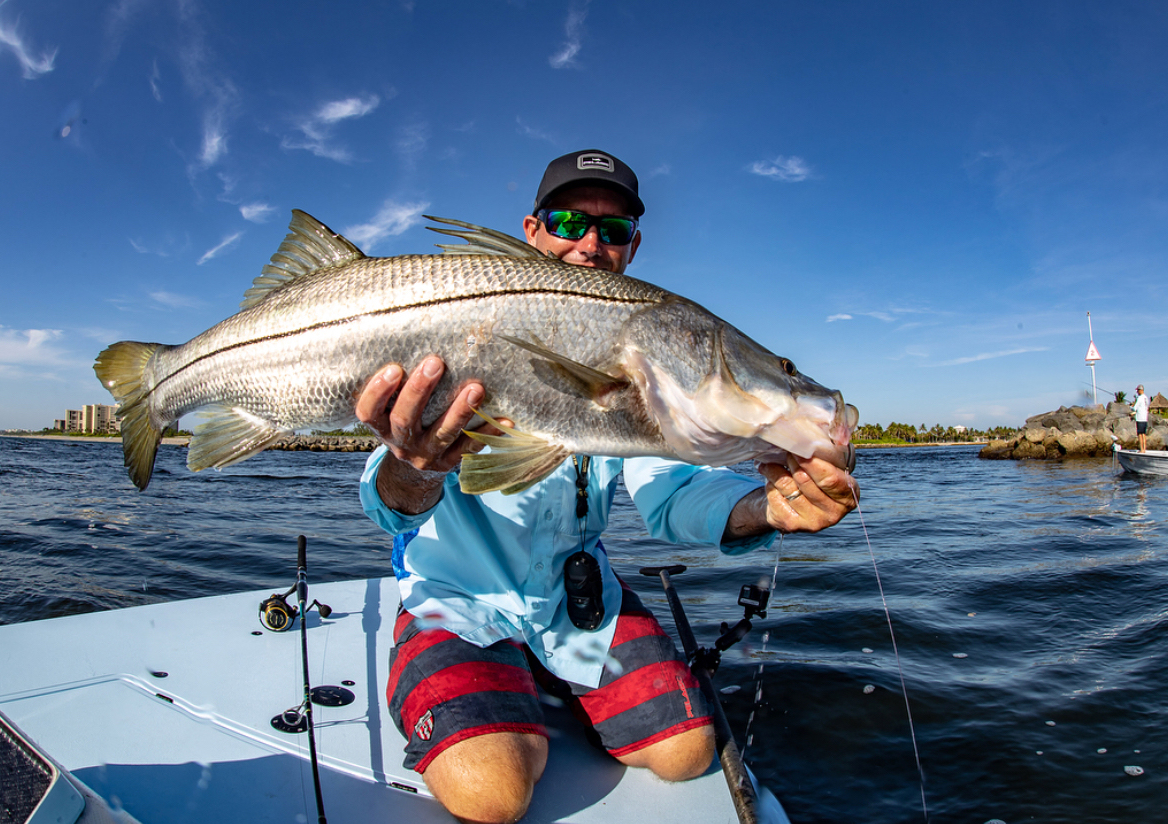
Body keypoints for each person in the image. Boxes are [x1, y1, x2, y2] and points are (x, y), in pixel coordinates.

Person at [354, 149, 858, 824]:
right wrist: (418, 464)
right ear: (531, 230)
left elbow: (677, 498)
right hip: (456, 598)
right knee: (492, 796)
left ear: (633, 247)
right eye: (567, 221)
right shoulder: (455, 313)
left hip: (573, 606)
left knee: (685, 754)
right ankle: (491, 670)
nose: (589, 244)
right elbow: (386, 508)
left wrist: (766, 507)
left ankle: (540, 669)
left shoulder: (655, 363)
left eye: (613, 230)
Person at [1133, 384, 1150, 452]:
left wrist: (1131, 407)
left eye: (1137, 390)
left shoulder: (1139, 398)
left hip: (1139, 418)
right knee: (1144, 434)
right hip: (1145, 418)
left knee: (1140, 434)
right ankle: (1144, 449)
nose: (1137, 392)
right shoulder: (1146, 398)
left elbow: (1134, 408)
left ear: (1140, 390)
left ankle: (1141, 449)